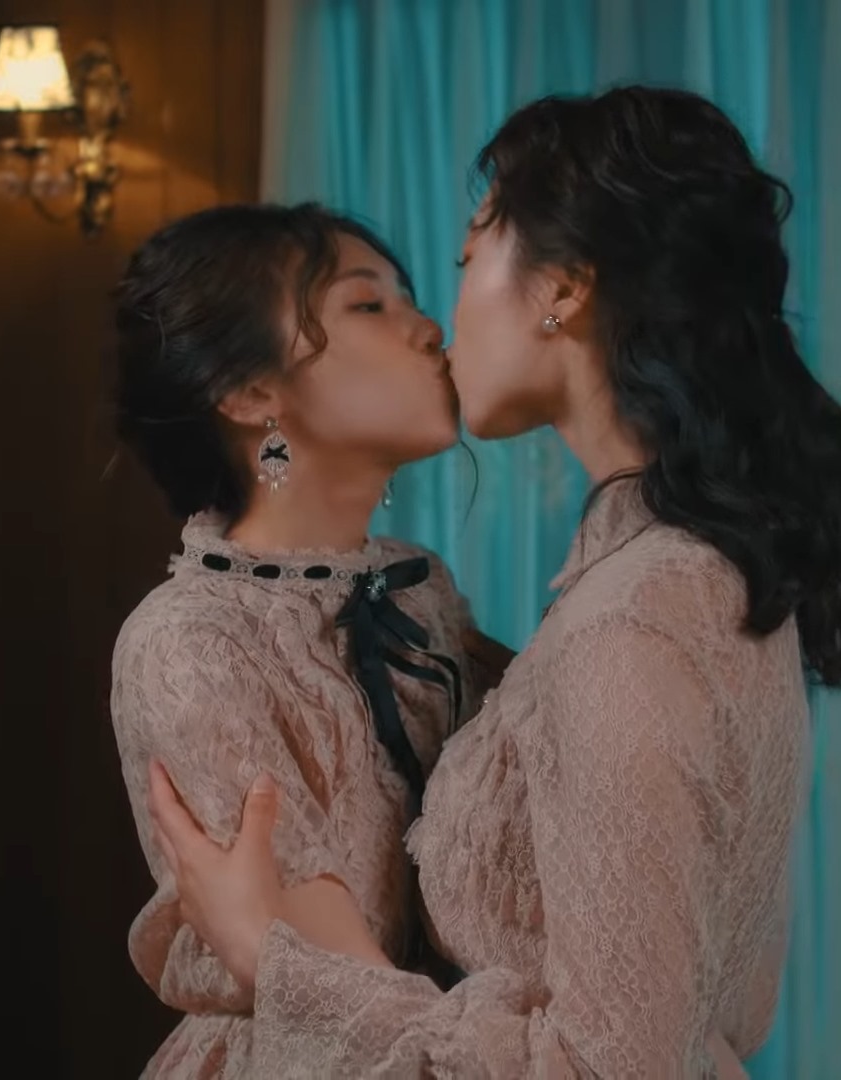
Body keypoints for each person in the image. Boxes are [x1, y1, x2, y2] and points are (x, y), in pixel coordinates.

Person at [143, 85, 841, 1078]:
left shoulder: (631, 622)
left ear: (563, 289)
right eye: (371, 303)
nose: (433, 324)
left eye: (462, 264)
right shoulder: (651, 585)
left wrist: (276, 962)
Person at [107, 202, 516, 1077]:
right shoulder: (190, 643)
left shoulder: (419, 585)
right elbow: (326, 970)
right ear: (250, 393)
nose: (429, 328)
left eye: (410, 299)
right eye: (369, 305)